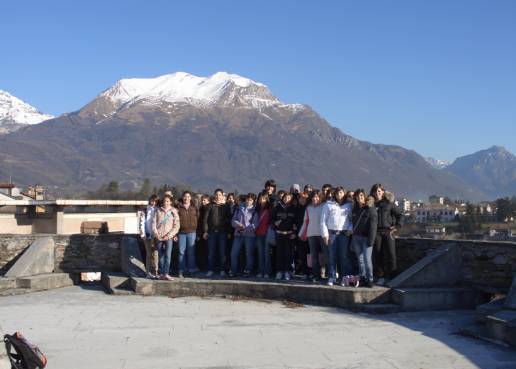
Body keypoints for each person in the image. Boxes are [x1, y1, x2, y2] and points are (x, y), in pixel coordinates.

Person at [370, 184, 402, 285]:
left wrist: (397, 226)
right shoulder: (372, 204)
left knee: (391, 254)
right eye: (375, 191)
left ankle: (393, 277)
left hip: (389, 231)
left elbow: (400, 215)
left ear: (383, 192)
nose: (377, 193)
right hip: (376, 232)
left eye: (379, 191)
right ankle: (381, 276)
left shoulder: (389, 203)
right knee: (378, 254)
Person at [320, 186, 353, 286]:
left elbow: (352, 220)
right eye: (338, 192)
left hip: (344, 234)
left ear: (344, 193)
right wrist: (325, 235)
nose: (339, 194)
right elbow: (323, 221)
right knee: (331, 256)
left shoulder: (348, 205)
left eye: (341, 192)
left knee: (344, 256)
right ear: (335, 194)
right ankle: (332, 277)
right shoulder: (328, 204)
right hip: (332, 234)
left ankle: (344, 277)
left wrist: (350, 230)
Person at [351, 189, 378, 288]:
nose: (359, 198)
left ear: (365, 196)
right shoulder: (355, 209)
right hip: (356, 237)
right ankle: (362, 277)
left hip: (366, 238)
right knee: (360, 259)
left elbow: (373, 226)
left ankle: (370, 279)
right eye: (358, 196)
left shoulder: (371, 208)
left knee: (367, 259)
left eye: (361, 196)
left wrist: (371, 240)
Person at [203, 189, 231, 277]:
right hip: (211, 232)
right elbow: (205, 220)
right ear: (214, 196)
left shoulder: (226, 206)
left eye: (219, 194)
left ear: (222, 195)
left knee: (223, 253)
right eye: (216, 194)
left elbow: (229, 219)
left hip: (222, 232)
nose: (218, 196)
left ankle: (222, 269)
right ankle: (210, 269)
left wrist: (229, 231)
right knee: (211, 253)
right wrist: (205, 231)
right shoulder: (210, 206)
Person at [230, 193, 259, 277]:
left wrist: (245, 229)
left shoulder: (254, 211)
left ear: (253, 201)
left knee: (249, 254)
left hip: (249, 236)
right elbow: (233, 221)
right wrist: (238, 225)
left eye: (250, 200)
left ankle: (248, 270)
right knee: (234, 253)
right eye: (247, 199)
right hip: (238, 234)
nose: (248, 201)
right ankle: (233, 270)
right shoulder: (239, 209)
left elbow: (255, 225)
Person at [152, 194, 180, 281]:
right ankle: (162, 273)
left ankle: (166, 273)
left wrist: (169, 236)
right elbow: (153, 224)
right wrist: (156, 234)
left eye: (168, 201)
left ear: (171, 202)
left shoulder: (174, 212)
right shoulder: (157, 211)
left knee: (168, 255)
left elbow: (176, 226)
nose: (166, 203)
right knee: (160, 255)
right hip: (159, 236)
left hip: (169, 237)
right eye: (164, 201)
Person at [298, 190, 323, 282]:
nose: (315, 198)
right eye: (313, 197)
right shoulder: (308, 208)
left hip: (322, 234)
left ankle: (330, 274)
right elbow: (306, 221)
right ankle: (316, 275)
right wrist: (301, 233)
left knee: (326, 255)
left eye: (317, 197)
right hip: (311, 234)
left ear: (320, 198)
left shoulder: (323, 207)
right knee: (314, 256)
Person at [272, 192, 297, 281]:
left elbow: (295, 222)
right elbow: (272, 222)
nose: (287, 199)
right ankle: (279, 271)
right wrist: (278, 222)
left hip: (289, 235)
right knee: (279, 254)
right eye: (285, 197)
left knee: (289, 254)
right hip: (279, 234)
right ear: (282, 198)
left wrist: (294, 232)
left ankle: (287, 271)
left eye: (289, 198)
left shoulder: (293, 209)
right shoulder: (277, 208)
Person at [177, 191, 199, 277]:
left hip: (192, 233)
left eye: (188, 196)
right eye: (185, 196)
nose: (186, 198)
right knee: (181, 252)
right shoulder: (178, 208)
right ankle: (181, 270)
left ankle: (191, 270)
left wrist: (197, 230)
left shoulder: (194, 208)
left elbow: (198, 218)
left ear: (190, 198)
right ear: (182, 197)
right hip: (181, 233)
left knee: (191, 252)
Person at [140, 194, 159, 279]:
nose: (153, 203)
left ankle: (155, 271)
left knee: (155, 254)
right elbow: (142, 222)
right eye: (152, 201)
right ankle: (148, 272)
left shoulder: (158, 210)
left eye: (155, 201)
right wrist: (142, 233)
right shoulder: (145, 210)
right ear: (150, 200)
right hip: (147, 234)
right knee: (148, 254)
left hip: (156, 235)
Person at [255, 192, 273, 278]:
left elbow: (271, 221)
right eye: (260, 198)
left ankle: (267, 272)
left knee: (267, 254)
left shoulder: (269, 209)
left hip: (266, 234)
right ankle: (260, 271)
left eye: (264, 198)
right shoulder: (257, 209)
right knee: (260, 254)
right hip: (258, 234)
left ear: (267, 199)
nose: (262, 200)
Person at [294, 192, 309, 279]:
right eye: (301, 198)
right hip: (299, 234)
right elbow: (295, 222)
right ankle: (304, 272)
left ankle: (311, 272)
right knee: (302, 254)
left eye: (305, 198)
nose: (303, 200)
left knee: (310, 255)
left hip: (309, 234)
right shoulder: (296, 209)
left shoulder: (309, 208)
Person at [196, 195, 211, 271]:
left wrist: (206, 231)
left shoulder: (210, 208)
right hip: (201, 231)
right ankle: (202, 266)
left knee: (208, 250)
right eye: (202, 200)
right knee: (201, 250)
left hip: (207, 232)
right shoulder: (201, 208)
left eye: (205, 200)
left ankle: (208, 266)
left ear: (208, 201)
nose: (203, 202)